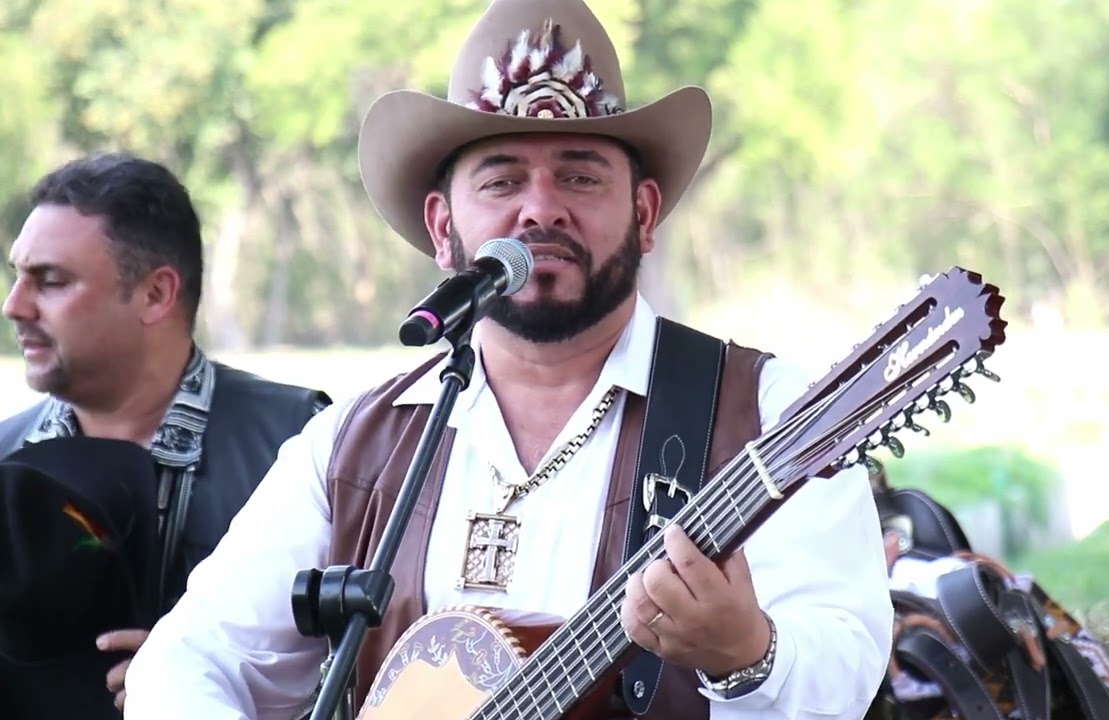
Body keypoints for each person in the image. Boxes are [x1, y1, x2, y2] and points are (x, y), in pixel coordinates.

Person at [124, 0, 894, 718]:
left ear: (644, 212)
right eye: (502, 179)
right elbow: (187, 658)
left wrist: (748, 658)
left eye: (580, 175)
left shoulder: (766, 412)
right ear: (442, 226)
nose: (541, 207)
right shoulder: (360, 442)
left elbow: (848, 663)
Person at [0, 152, 332, 718]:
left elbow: (375, 662)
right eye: (16, 277)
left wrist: (199, 671)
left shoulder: (307, 445)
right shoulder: (6, 460)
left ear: (156, 294)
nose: (14, 306)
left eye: (50, 282)